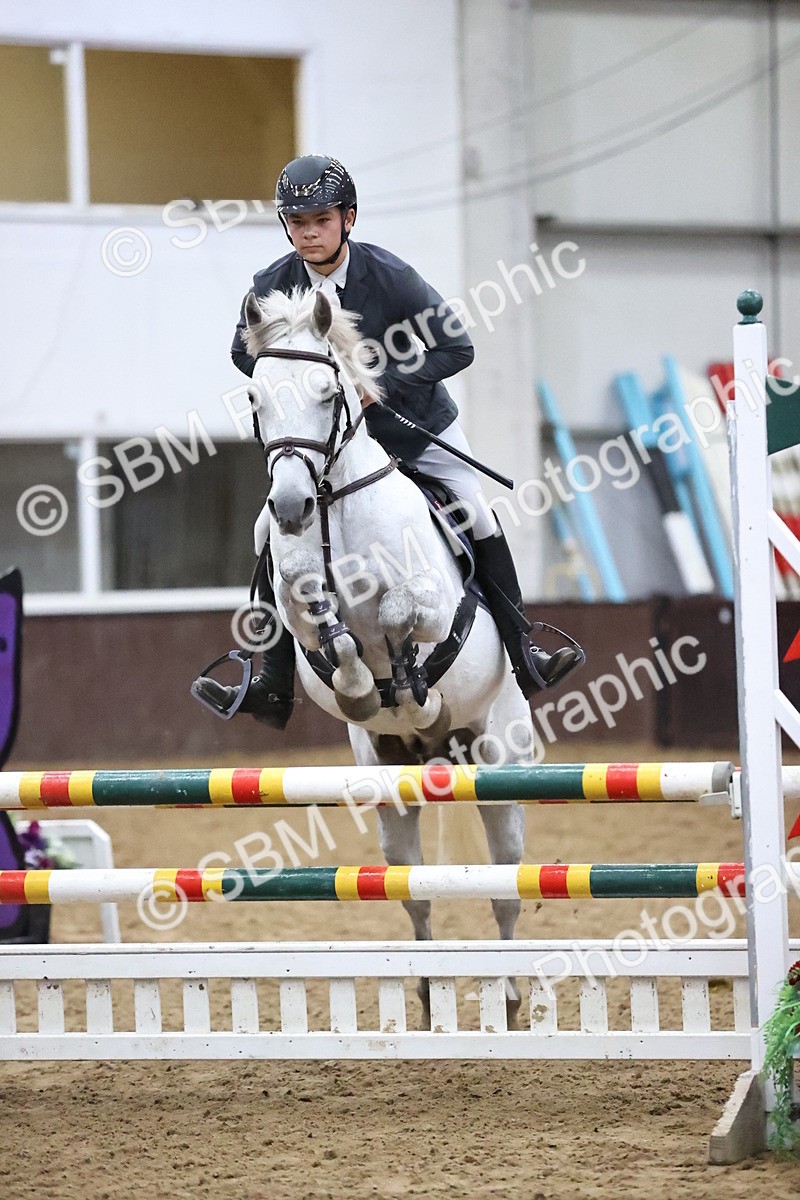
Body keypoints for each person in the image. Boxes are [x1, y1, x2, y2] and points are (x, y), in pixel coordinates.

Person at [201, 154, 583, 729]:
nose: (308, 231)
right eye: (296, 221)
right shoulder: (270, 285)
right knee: (267, 531)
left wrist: (381, 383)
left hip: (413, 428)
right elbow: (243, 352)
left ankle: (524, 648)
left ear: (348, 218)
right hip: (332, 445)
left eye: (321, 219)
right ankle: (272, 678)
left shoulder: (390, 277)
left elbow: (457, 349)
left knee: (475, 511)